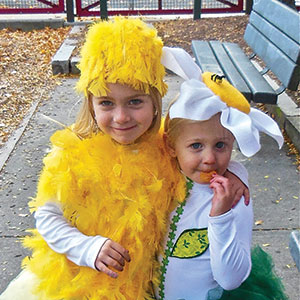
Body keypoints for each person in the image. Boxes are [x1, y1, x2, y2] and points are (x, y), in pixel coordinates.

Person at [0, 19, 249, 300]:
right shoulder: (71, 155)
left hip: (142, 286)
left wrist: (235, 172)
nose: (121, 117)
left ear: (155, 102)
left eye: (135, 102)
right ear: (91, 103)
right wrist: (86, 248)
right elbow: (47, 217)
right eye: (107, 102)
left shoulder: (166, 146)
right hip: (82, 284)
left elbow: (205, 151)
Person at [156, 47, 287, 300]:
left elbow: (230, 279)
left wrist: (220, 216)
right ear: (171, 147)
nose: (209, 159)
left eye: (221, 146)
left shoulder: (235, 198)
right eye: (196, 146)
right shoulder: (161, 178)